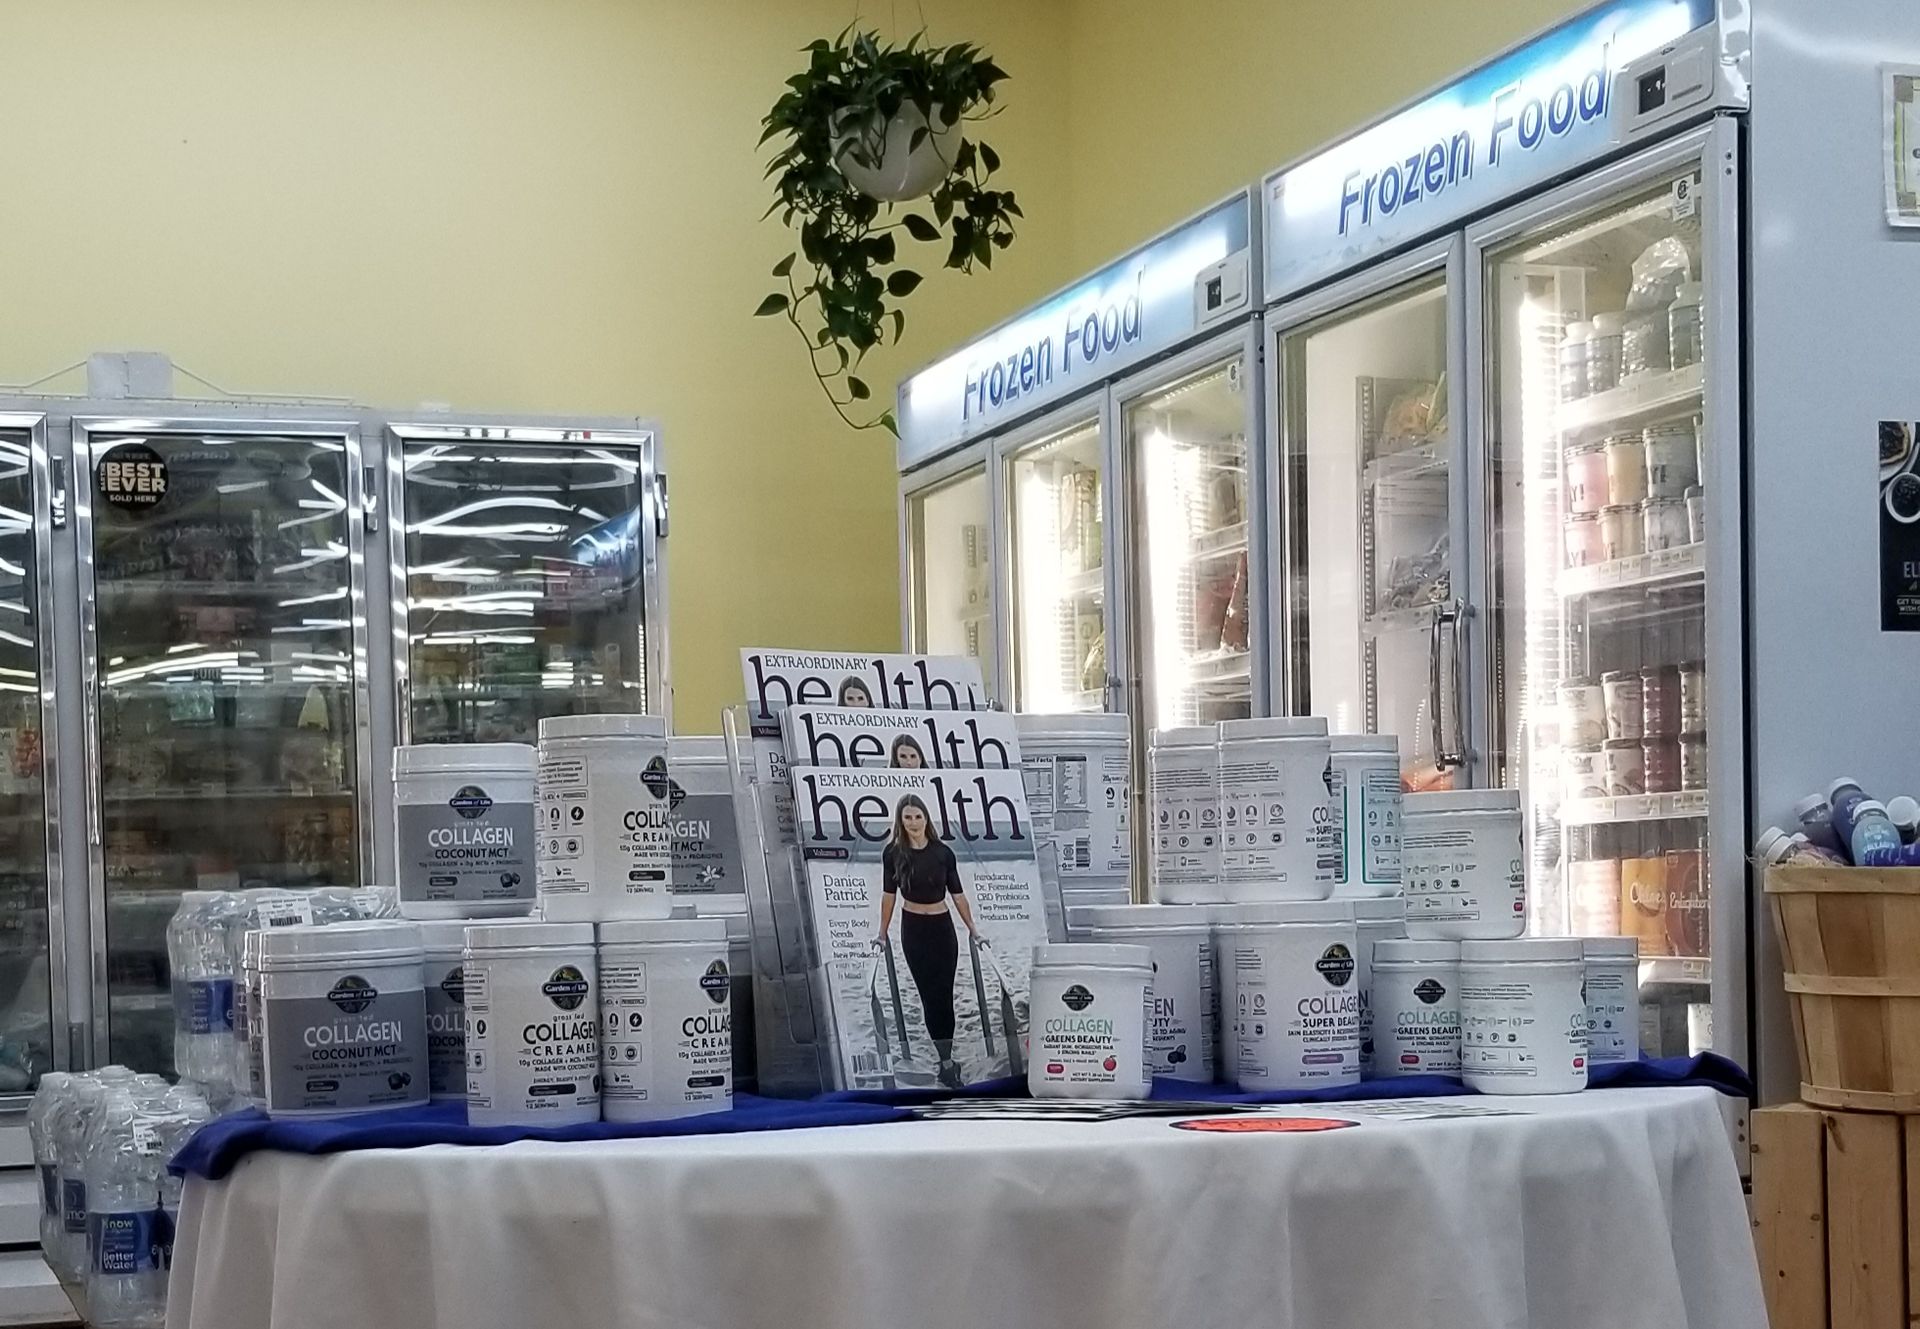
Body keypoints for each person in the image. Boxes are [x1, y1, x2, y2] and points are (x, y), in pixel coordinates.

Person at [875, 794, 981, 1089]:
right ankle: (945, 1060)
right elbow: (888, 897)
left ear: (926, 818)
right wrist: (882, 933)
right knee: (928, 997)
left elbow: (958, 895)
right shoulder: (893, 854)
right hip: (913, 930)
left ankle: (947, 1060)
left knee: (944, 996)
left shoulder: (943, 853)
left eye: (918, 816)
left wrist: (973, 929)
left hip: (942, 929)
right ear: (901, 821)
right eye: (907, 817)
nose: (913, 822)